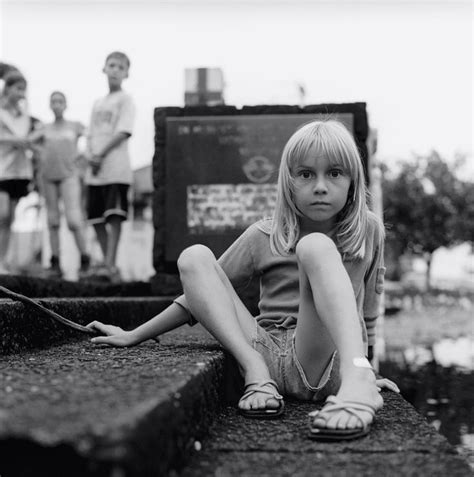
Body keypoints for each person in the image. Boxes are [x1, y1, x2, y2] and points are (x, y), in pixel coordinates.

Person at [87, 120, 399, 441]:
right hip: (264, 351)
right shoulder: (264, 234)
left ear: (352, 181)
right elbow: (199, 294)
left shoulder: (368, 231)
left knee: (315, 247)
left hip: (324, 358)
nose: (320, 186)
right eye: (306, 174)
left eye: (334, 173)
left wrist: (366, 367)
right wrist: (133, 335)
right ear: (288, 181)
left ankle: (357, 377)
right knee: (194, 258)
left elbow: (369, 312)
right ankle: (255, 371)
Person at [29, 91, 91, 279]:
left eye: (60, 101)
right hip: (48, 177)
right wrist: (40, 152)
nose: (56, 105)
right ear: (50, 105)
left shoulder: (75, 126)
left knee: (73, 219)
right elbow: (29, 141)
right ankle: (55, 263)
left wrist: (83, 155)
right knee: (53, 220)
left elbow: (91, 137)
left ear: (65, 104)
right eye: (53, 101)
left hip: (69, 176)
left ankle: (85, 260)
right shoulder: (44, 128)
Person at [85, 51, 135, 282]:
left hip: (116, 168)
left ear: (126, 73)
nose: (115, 70)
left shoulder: (126, 100)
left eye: (120, 67)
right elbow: (90, 133)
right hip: (95, 171)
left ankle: (111, 264)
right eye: (111, 65)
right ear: (103, 68)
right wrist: (91, 156)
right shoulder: (97, 103)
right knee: (96, 219)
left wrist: (101, 154)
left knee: (114, 216)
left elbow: (123, 132)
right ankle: (106, 263)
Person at [0, 70, 37, 273]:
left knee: (10, 219)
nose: (22, 93)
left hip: (20, 171)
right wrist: (16, 140)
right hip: (2, 170)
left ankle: (3, 260)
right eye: (18, 88)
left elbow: (28, 137)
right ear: (8, 89)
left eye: (24, 89)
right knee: (2, 214)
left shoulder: (25, 116)